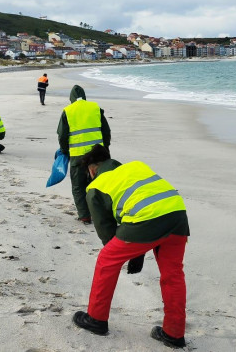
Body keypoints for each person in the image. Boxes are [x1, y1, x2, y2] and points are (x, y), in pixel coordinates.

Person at [72, 144, 190, 349]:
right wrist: (137, 251)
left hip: (146, 219)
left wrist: (134, 253)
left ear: (92, 169)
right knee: (173, 275)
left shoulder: (96, 186)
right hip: (177, 214)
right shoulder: (136, 166)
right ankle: (174, 334)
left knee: (107, 260)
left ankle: (96, 319)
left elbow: (107, 233)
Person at [57, 85, 111, 224]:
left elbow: (62, 135)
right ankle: (102, 214)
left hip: (78, 155)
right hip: (98, 155)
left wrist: (64, 151)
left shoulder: (68, 111)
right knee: (99, 184)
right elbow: (106, 131)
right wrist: (106, 149)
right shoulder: (95, 108)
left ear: (71, 98)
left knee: (78, 186)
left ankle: (84, 215)